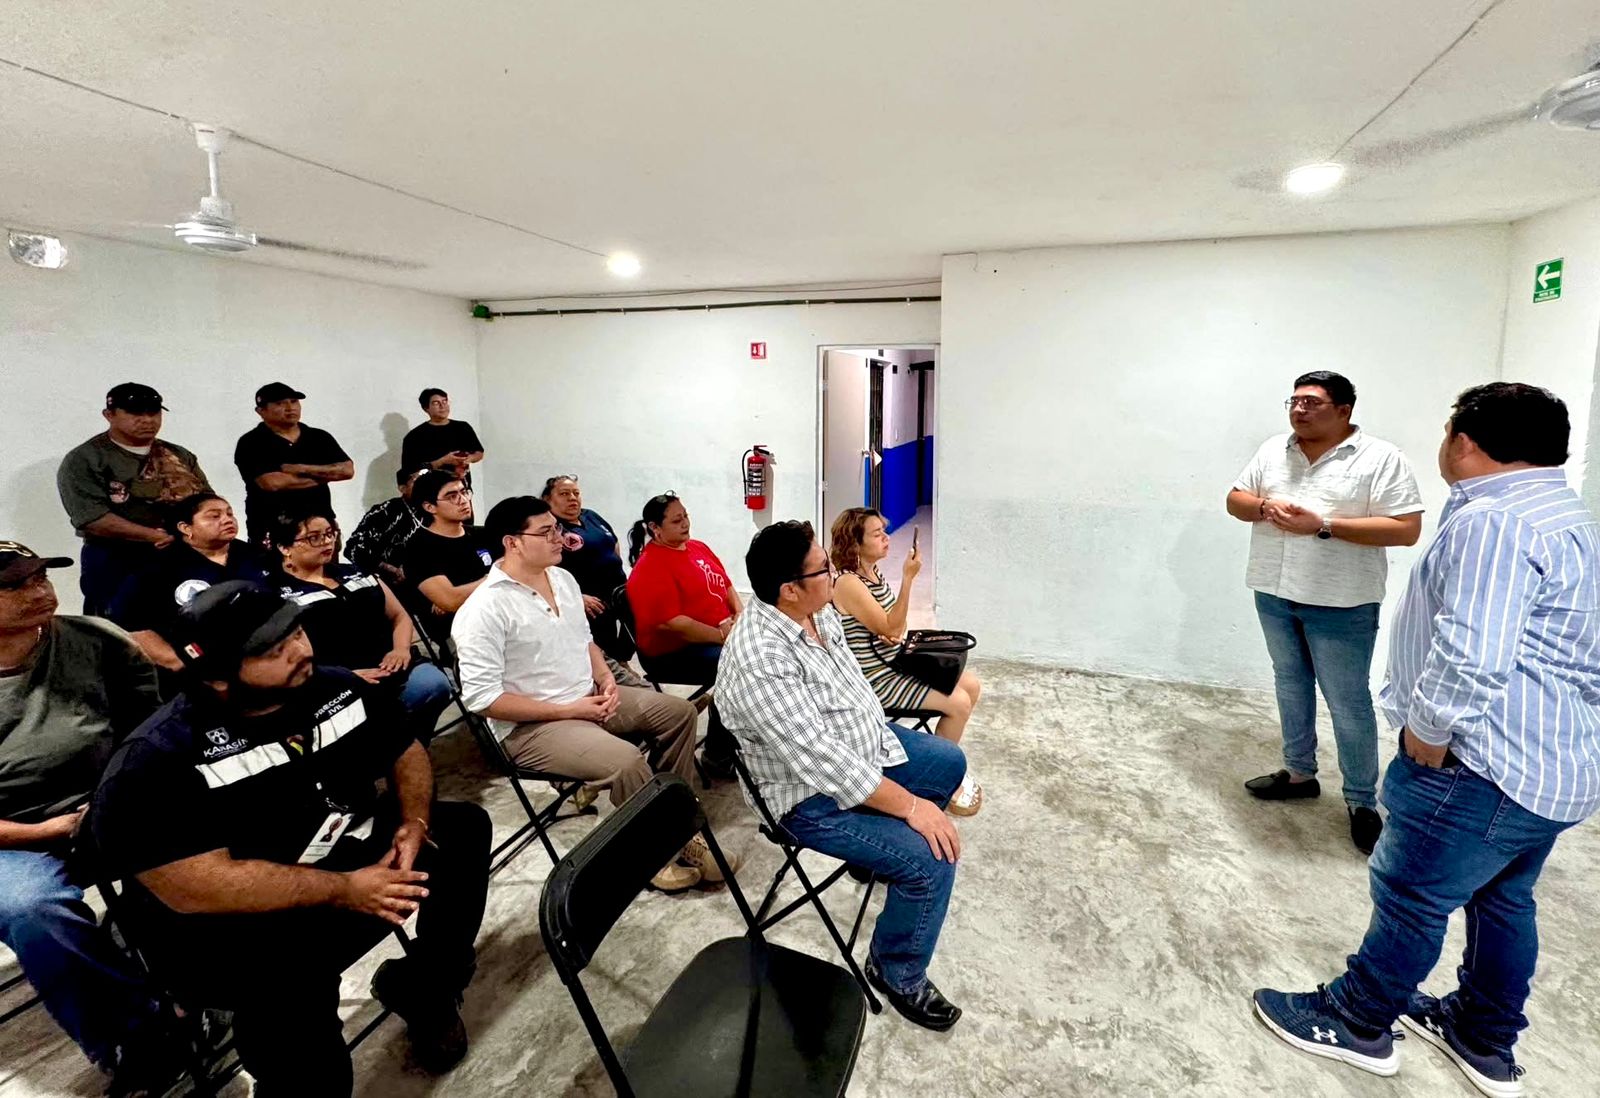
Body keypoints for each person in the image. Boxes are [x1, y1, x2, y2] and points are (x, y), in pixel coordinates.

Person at [1252, 383, 1600, 1096]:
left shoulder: (1493, 521)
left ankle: (1357, 1021)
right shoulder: (1565, 514)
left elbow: (1472, 652)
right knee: (1504, 900)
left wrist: (1428, 730)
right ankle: (1482, 1035)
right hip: (1554, 760)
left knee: (1411, 893)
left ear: (1463, 441)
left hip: (1483, 760)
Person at [89, 582, 492, 1095]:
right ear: (216, 676)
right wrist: (345, 889)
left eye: (297, 632)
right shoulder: (157, 759)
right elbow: (194, 886)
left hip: (338, 854)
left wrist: (414, 823)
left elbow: (402, 748)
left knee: (460, 833)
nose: (301, 650)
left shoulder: (333, 685)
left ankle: (427, 986)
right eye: (273, 650)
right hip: (233, 921)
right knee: (295, 1020)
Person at [717, 520, 968, 1031]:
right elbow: (822, 760)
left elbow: (851, 687)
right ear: (789, 589)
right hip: (807, 797)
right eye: (823, 569)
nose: (834, 574)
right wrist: (911, 807)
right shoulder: (760, 658)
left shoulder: (816, 610)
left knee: (949, 762)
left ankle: (872, 859)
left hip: (861, 750)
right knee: (930, 858)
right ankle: (896, 969)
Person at [453, 497, 710, 893]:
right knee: (626, 762)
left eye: (557, 528)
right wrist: (568, 710)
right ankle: (652, 852)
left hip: (586, 697)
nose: (560, 538)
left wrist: (605, 677)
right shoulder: (483, 609)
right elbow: (483, 699)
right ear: (512, 542)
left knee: (678, 713)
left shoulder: (562, 579)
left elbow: (584, 639)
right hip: (532, 727)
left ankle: (675, 823)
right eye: (546, 532)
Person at [0, 542, 178, 1091]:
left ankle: (208, 985)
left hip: (111, 798)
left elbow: (151, 729)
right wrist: (42, 831)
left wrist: (119, 796)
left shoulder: (96, 638)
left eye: (41, 576)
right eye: (16, 585)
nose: (40, 591)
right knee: (32, 909)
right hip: (13, 833)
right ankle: (136, 1032)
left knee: (203, 851)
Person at [1227, 371, 1423, 855]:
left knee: (1347, 701)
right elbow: (1235, 500)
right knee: (1290, 683)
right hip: (1274, 590)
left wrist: (1324, 525)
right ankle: (1299, 772)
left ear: (1343, 410)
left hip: (1342, 601)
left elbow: (1405, 529)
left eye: (1311, 402)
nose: (1299, 409)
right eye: (1294, 401)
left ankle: (1361, 801)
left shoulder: (1381, 458)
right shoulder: (1274, 450)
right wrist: (1264, 506)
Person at [829, 507, 985, 815]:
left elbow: (891, 626)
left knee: (971, 685)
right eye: (877, 534)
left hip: (895, 661)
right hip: (875, 679)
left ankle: (942, 765)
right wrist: (907, 579)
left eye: (883, 531)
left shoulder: (872, 573)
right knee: (959, 703)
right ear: (855, 543)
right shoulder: (849, 583)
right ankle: (942, 780)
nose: (886, 538)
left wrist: (889, 630)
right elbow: (892, 626)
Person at [269, 509, 453, 743]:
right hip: (337, 681)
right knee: (372, 713)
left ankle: (409, 747)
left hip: (392, 665)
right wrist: (342, 676)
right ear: (285, 547)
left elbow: (399, 616)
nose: (326, 542)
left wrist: (401, 649)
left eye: (330, 533)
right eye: (314, 537)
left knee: (435, 684)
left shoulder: (357, 573)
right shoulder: (276, 594)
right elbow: (285, 658)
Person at [56, 383, 211, 616]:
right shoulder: (88, 458)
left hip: (179, 553)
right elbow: (92, 518)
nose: (147, 420)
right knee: (114, 625)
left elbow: (206, 502)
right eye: (135, 413)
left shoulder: (179, 455)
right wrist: (154, 536)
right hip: (117, 558)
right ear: (109, 415)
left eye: (153, 412)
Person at [625, 493, 742, 775]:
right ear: (655, 528)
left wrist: (740, 614)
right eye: (677, 520)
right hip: (673, 653)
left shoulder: (697, 547)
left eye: (685, 516)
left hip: (720, 632)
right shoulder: (650, 566)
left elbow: (726, 585)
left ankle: (733, 737)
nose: (685, 523)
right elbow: (673, 624)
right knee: (740, 667)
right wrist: (722, 636)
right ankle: (718, 754)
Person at [110, 493, 272, 673]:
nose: (228, 520)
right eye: (214, 516)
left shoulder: (256, 556)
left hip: (267, 659)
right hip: (195, 668)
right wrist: (176, 662)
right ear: (185, 528)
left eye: (230, 514)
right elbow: (130, 623)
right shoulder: (158, 567)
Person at [233, 382, 354, 545]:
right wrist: (326, 475)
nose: (290, 408)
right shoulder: (251, 442)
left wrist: (300, 468)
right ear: (261, 411)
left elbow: (347, 471)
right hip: (273, 528)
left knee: (326, 561)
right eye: (279, 403)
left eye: (294, 401)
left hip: (321, 524)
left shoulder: (318, 437)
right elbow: (272, 483)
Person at [540, 475, 632, 662]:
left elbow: (613, 542)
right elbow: (544, 567)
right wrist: (576, 597)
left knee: (634, 625)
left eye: (576, 493)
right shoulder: (550, 528)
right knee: (599, 645)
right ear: (547, 499)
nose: (572, 498)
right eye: (564, 494)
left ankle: (621, 661)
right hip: (587, 598)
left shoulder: (591, 516)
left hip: (616, 590)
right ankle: (608, 668)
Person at [401, 472, 493, 645]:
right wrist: (495, 578)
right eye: (452, 496)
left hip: (500, 616)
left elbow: (517, 572)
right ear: (430, 507)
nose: (463, 500)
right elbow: (451, 600)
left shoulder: (481, 535)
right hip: (462, 633)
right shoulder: (419, 548)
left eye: (464, 492)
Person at [345, 466, 428, 586]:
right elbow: (353, 549)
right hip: (395, 584)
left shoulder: (439, 508)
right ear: (402, 488)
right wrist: (389, 569)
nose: (425, 485)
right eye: (418, 480)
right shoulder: (386, 512)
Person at [400, 389, 484, 487]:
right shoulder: (414, 436)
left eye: (445, 401)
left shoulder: (463, 427)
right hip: (429, 489)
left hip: (460, 487)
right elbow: (409, 471)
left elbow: (479, 452)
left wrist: (468, 459)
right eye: (436, 403)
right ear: (426, 408)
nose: (442, 406)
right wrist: (441, 461)